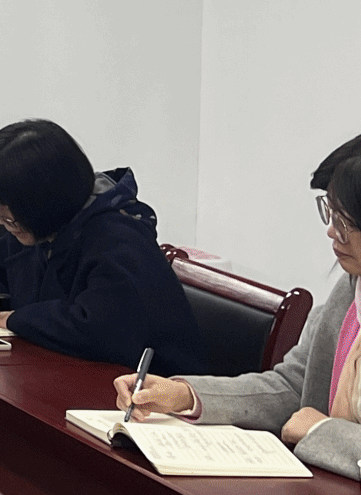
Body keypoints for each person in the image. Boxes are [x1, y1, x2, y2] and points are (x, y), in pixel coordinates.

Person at [117, 154, 361, 478]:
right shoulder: (348, 292)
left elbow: (311, 421)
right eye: (330, 213)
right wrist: (185, 395)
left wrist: (321, 432)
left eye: (345, 222)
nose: (331, 231)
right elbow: (292, 387)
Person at [0, 119, 203, 374]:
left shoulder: (119, 240)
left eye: (7, 211)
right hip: (50, 372)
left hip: (144, 392)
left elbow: (100, 330)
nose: (1, 220)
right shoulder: (39, 229)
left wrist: (12, 319)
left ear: (45, 199)